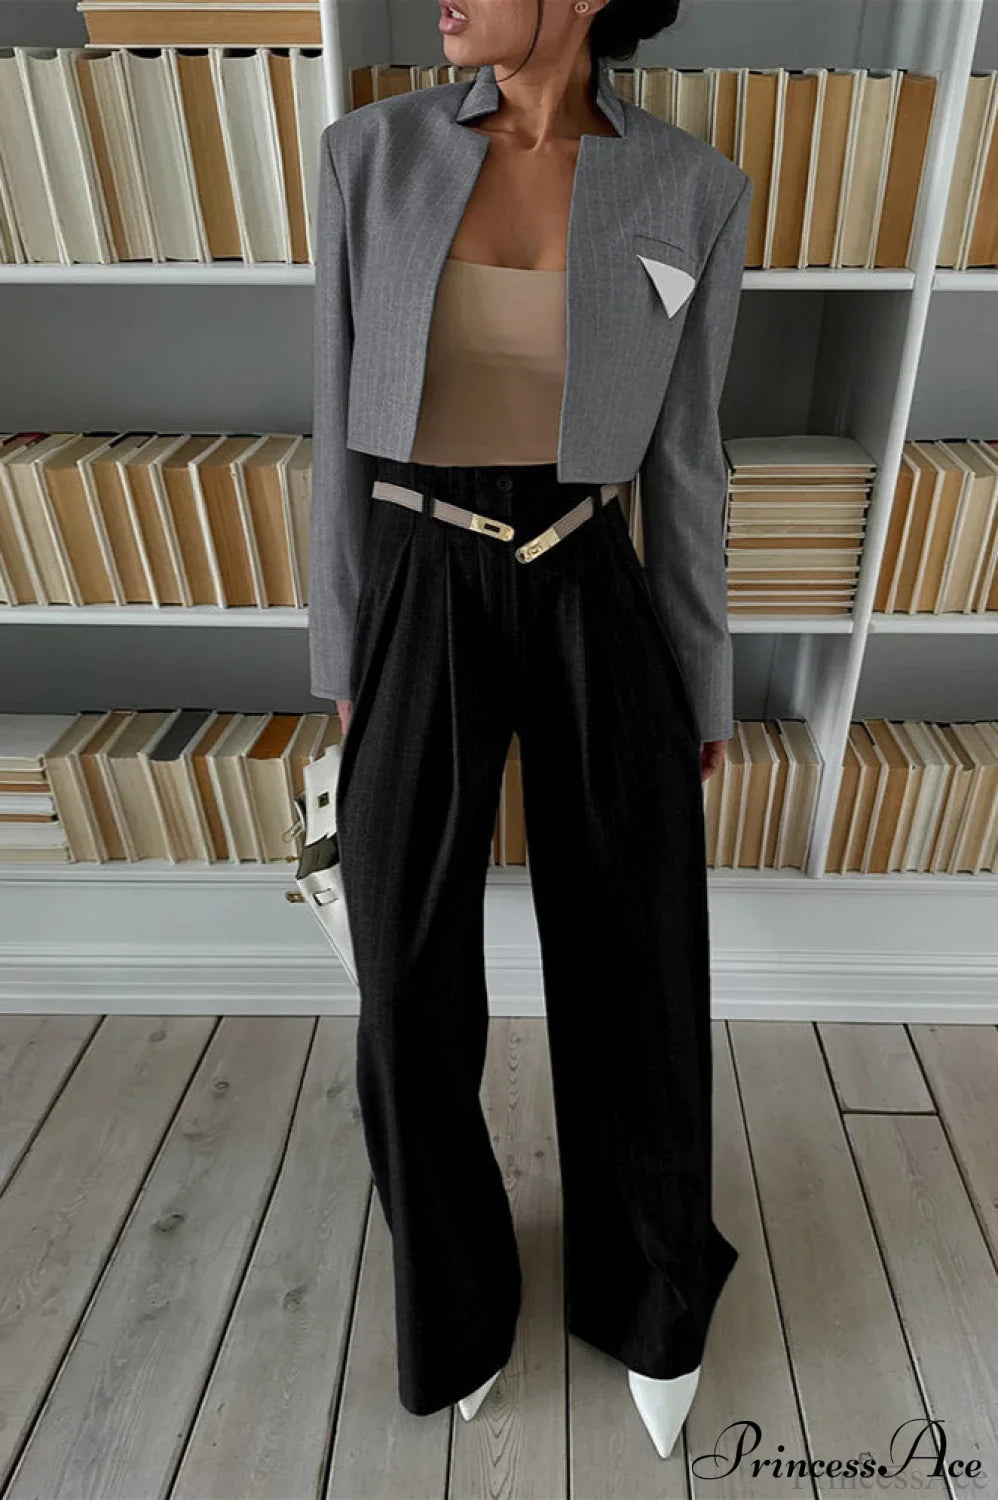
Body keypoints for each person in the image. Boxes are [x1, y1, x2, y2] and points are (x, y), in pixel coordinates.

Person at [309, 0, 752, 1459]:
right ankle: (454, 1307)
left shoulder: (689, 187)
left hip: (589, 578)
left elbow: (686, 459)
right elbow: (333, 422)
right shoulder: (368, 157)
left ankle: (653, 1294)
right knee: (404, 979)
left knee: (637, 960)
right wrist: (345, 653)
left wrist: (699, 682)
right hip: (417, 576)